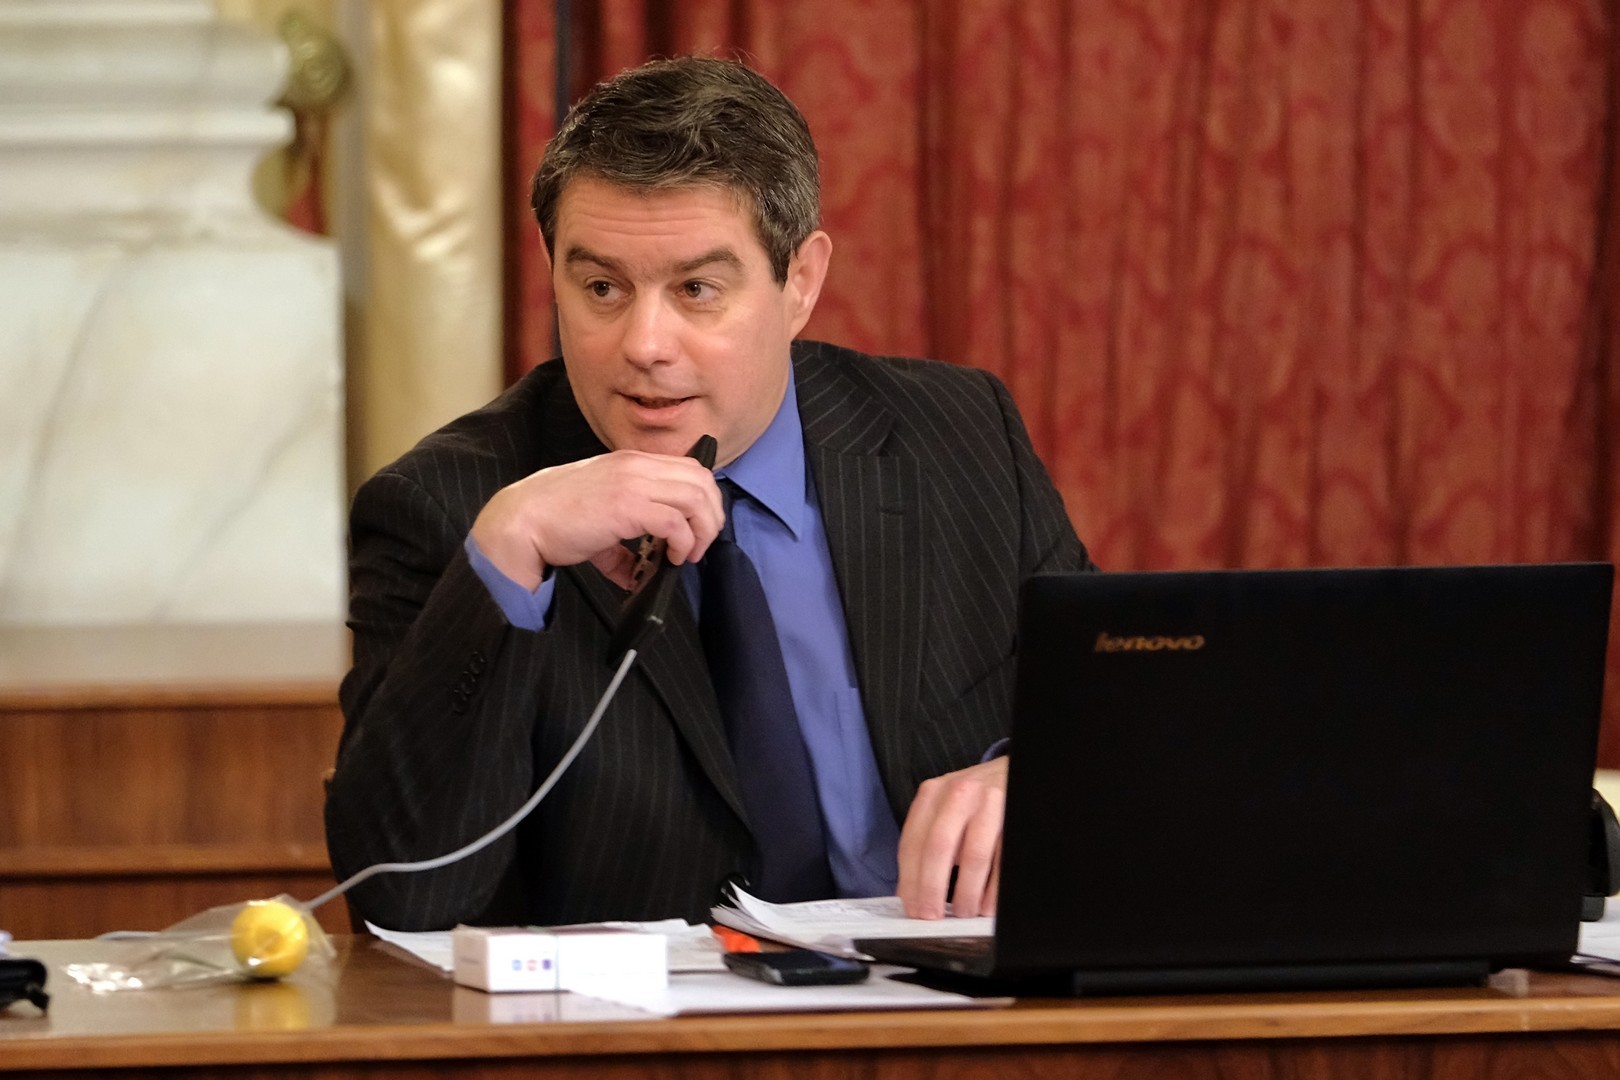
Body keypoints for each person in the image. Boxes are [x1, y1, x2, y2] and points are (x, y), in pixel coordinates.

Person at [325, 56, 1095, 932]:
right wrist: (508, 555)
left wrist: (1036, 775)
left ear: (800, 283)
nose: (645, 344)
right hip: (638, 1013)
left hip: (949, 988)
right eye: (602, 288)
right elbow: (402, 894)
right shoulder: (446, 507)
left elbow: (1124, 713)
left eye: (697, 290)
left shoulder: (955, 435)